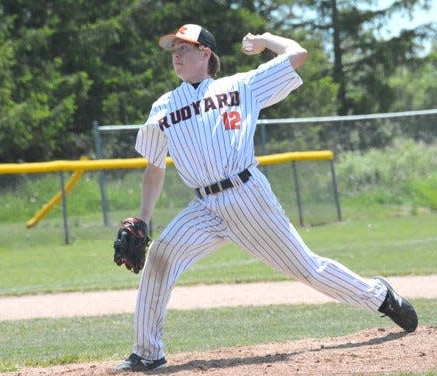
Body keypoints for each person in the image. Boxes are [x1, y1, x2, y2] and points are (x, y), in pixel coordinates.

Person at [111, 24, 418, 373]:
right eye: (174, 50)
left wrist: (262, 41)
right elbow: (155, 168)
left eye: (184, 48)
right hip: (204, 207)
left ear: (206, 53)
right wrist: (144, 220)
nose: (176, 56)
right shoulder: (163, 106)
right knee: (161, 256)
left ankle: (379, 296)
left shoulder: (241, 86)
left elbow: (297, 54)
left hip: (247, 197)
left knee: (307, 269)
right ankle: (148, 352)